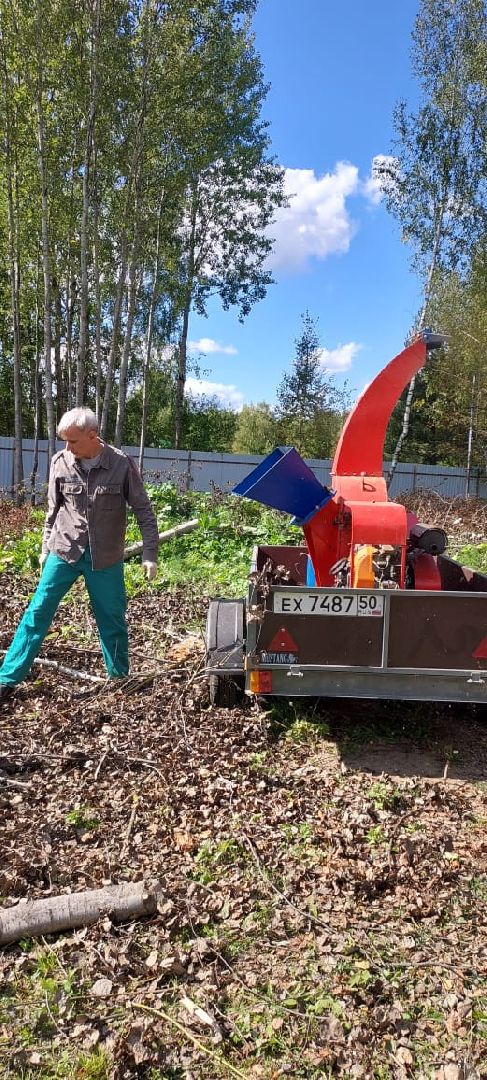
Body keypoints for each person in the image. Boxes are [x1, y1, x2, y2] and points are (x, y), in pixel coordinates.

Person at [0, 407, 159, 701]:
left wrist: (150, 553)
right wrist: (45, 546)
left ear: (92, 435)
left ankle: (118, 681)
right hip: (65, 550)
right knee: (38, 611)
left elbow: (144, 511)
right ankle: (7, 679)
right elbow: (53, 509)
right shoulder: (61, 462)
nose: (67, 447)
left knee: (112, 618)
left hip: (105, 558)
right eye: (64, 441)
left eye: (72, 441)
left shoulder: (121, 465)